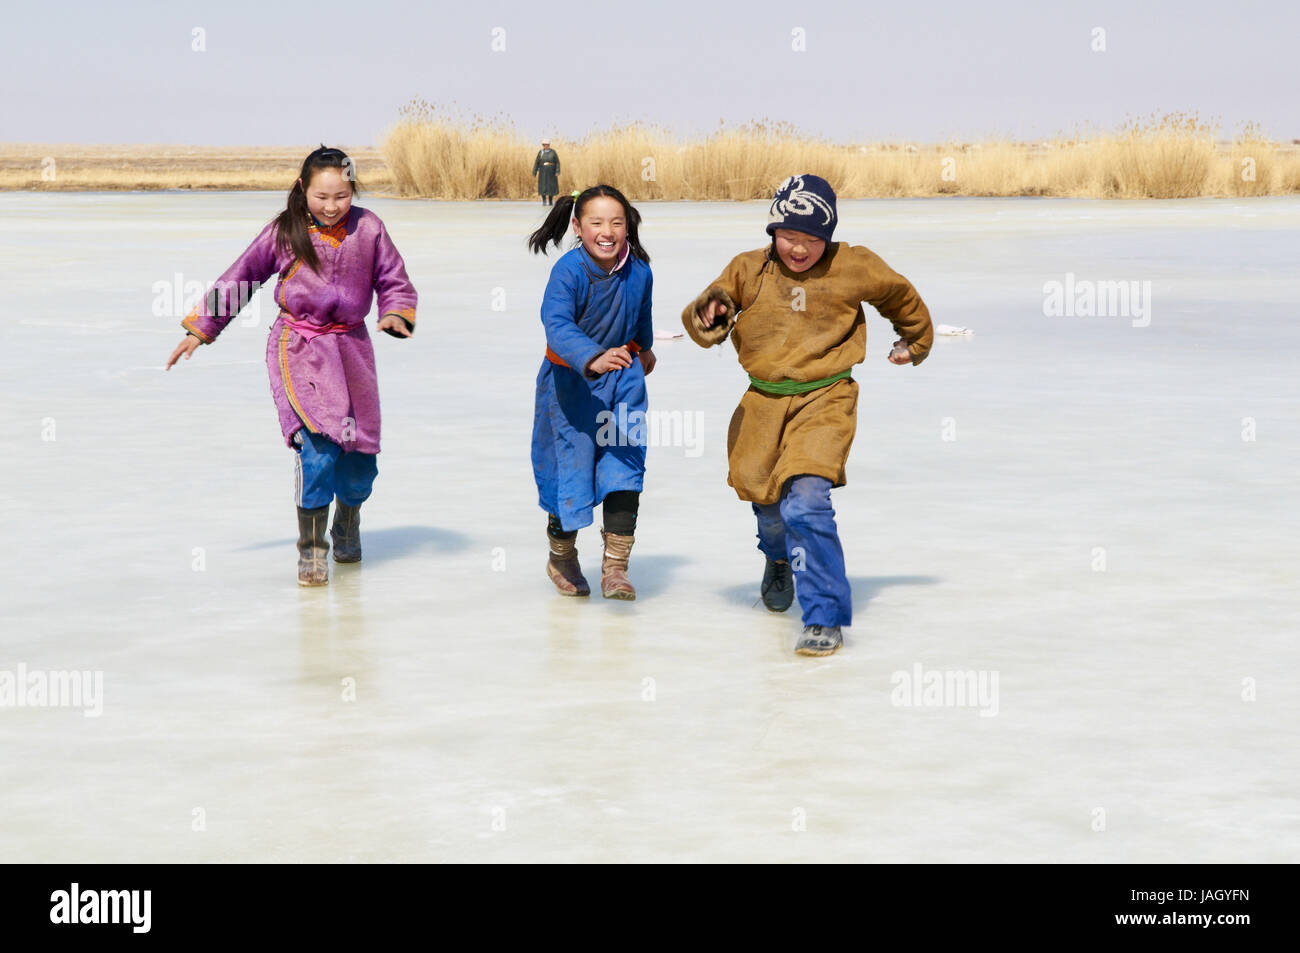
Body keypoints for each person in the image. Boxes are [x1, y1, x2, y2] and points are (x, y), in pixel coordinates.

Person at [680, 174, 933, 655]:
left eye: (812, 239)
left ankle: (824, 616)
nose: (799, 249)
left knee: (808, 501)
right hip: (763, 402)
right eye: (790, 236)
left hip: (826, 397)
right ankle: (779, 557)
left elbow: (899, 295)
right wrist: (709, 314)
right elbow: (708, 311)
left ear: (829, 237)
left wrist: (915, 342)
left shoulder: (852, 263)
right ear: (773, 231)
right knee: (768, 505)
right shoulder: (748, 269)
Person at [165, 145, 417, 587]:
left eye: (342, 196)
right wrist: (200, 329)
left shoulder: (370, 228)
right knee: (318, 446)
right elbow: (241, 276)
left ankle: (347, 522)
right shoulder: (286, 230)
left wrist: (395, 312)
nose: (333, 206)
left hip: (352, 348)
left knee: (359, 456)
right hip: (299, 346)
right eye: (322, 197)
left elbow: (393, 278)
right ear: (303, 189)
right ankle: (313, 549)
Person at [528, 185, 656, 599]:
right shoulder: (568, 271)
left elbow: (641, 317)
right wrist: (592, 357)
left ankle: (616, 568)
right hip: (570, 387)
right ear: (578, 226)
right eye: (596, 223)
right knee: (571, 475)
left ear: (627, 225)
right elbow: (557, 324)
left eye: (616, 222)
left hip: (623, 385)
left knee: (624, 471)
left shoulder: (639, 270)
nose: (607, 231)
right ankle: (562, 557)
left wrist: (646, 349)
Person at [532, 139, 561, 205]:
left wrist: (557, 171)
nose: (546, 146)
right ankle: (544, 200)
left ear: (549, 145)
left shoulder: (553, 152)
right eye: (544, 145)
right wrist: (534, 172)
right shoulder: (541, 152)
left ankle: (550, 200)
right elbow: (537, 162)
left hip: (551, 171)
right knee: (543, 185)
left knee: (551, 185)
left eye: (547, 145)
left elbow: (557, 162)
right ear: (543, 145)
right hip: (543, 171)